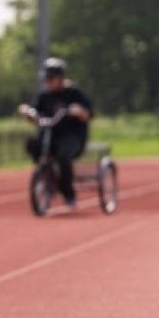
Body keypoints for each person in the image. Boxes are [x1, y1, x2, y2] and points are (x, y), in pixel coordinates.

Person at [17, 57, 93, 207]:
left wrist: (79, 111)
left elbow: (89, 114)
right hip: (49, 136)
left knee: (64, 157)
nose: (48, 82)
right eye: (46, 78)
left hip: (72, 137)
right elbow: (34, 114)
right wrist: (27, 112)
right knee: (32, 144)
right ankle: (45, 174)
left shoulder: (74, 93)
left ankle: (69, 194)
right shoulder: (44, 96)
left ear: (60, 78)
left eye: (51, 78)